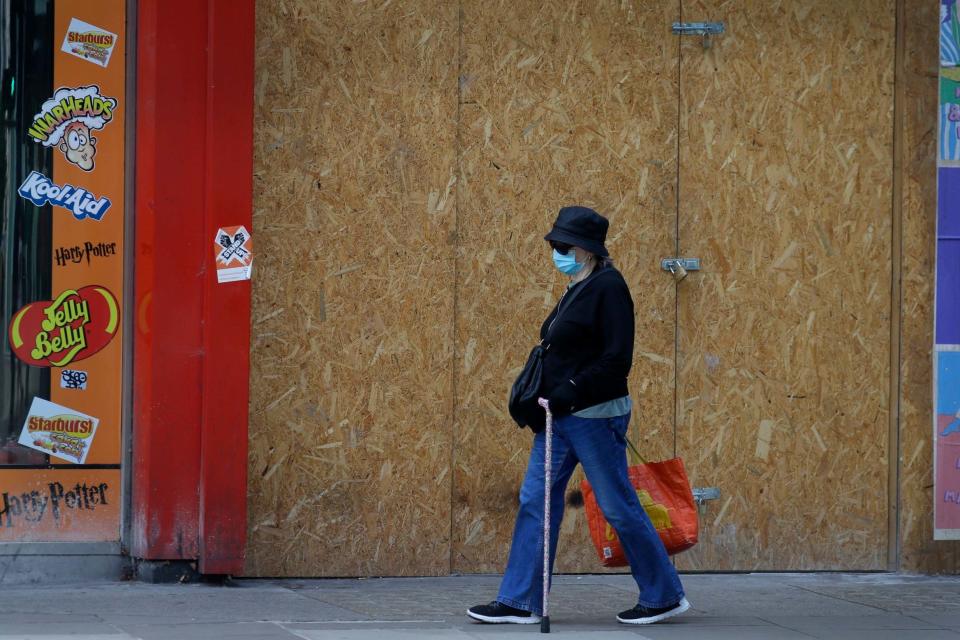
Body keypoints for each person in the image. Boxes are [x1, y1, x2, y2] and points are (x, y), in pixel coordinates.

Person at [467, 206, 689, 626]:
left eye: (563, 246)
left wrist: (570, 390)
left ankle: (664, 595)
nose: (556, 252)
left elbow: (617, 359)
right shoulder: (578, 283)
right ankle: (519, 601)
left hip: (594, 418)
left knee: (617, 505)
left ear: (586, 250)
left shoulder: (609, 287)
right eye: (553, 245)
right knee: (536, 499)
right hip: (558, 420)